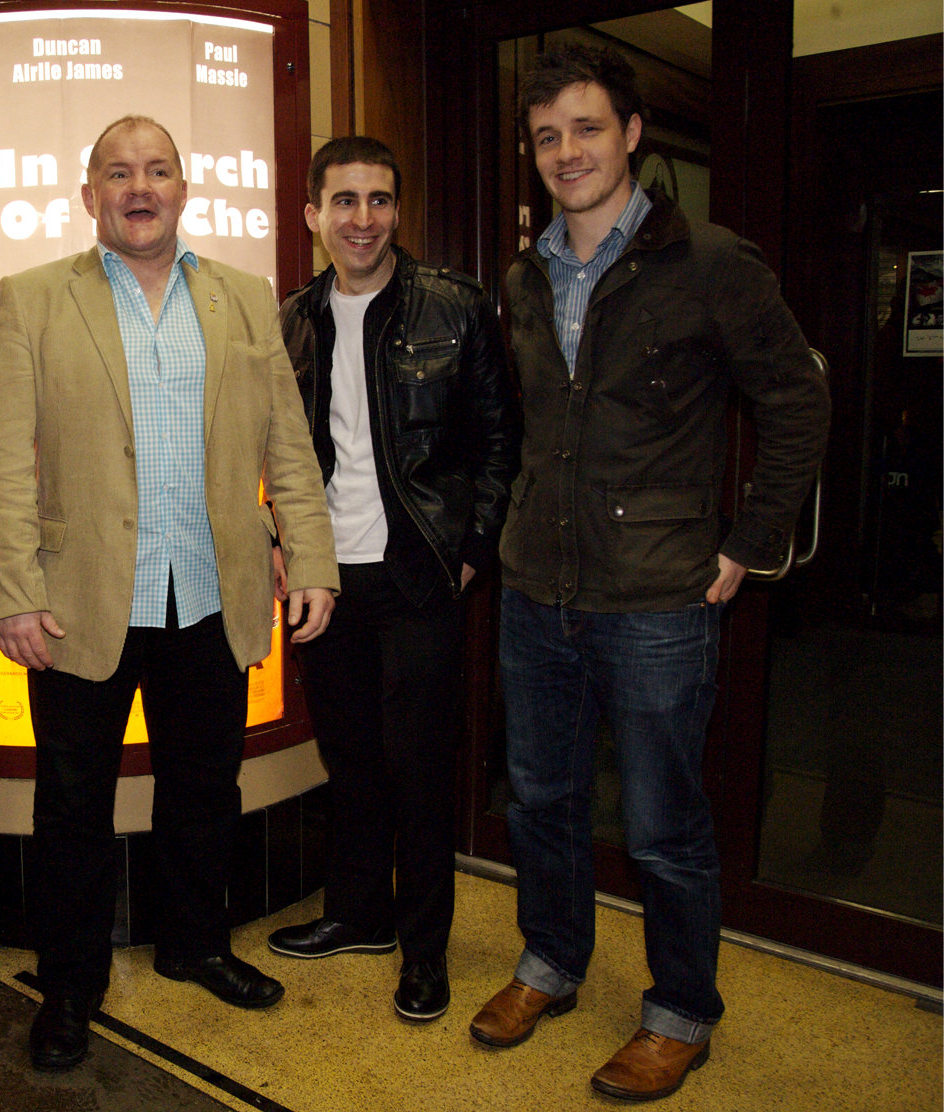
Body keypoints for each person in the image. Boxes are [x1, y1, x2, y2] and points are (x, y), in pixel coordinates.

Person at [470, 43, 830, 1102]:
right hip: (538, 586)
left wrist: (751, 541)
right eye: (547, 136)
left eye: (587, 128)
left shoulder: (712, 260)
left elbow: (798, 402)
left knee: (664, 822)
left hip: (663, 597)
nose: (567, 151)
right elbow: (537, 425)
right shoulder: (525, 274)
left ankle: (679, 1010)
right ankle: (551, 959)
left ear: (632, 135)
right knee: (541, 797)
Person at [0, 114, 339, 1072]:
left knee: (203, 789)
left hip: (211, 596)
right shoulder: (34, 298)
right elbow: (1, 459)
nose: (141, 188)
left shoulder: (247, 300)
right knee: (74, 807)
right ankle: (70, 987)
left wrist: (313, 557)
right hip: (79, 601)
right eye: (119, 173)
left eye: (159, 171)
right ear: (88, 192)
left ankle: (195, 945)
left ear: (185, 187)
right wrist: (9, 592)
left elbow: (287, 445)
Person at [271, 137, 519, 1022]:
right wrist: (281, 543)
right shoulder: (292, 317)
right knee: (351, 760)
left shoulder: (454, 307)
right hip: (326, 581)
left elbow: (499, 442)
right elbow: (278, 450)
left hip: (419, 573)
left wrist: (471, 548)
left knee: (418, 770)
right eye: (344, 201)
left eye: (379, 200)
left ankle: (424, 951)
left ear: (397, 212)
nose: (363, 219)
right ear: (313, 216)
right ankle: (358, 915)